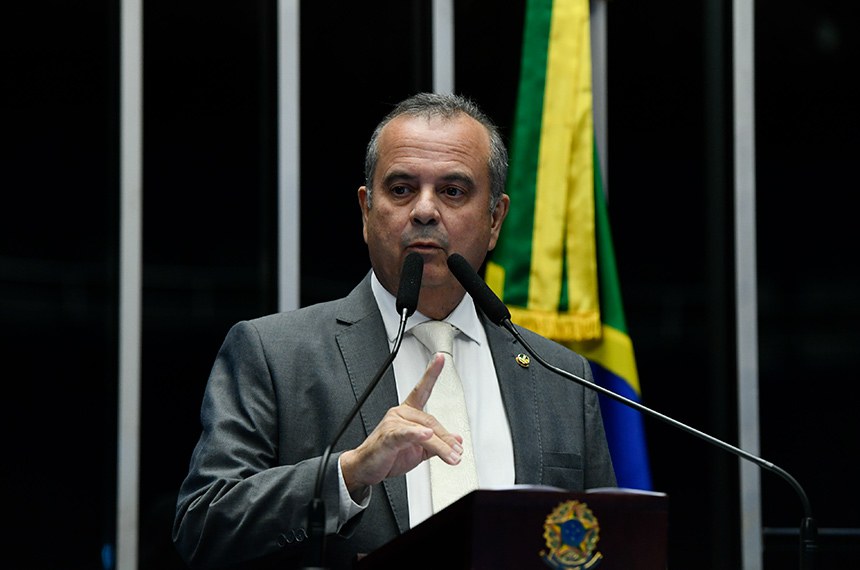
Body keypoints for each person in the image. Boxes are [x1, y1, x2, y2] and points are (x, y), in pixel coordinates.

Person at [173, 92, 617, 569]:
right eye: (402, 189)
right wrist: (347, 473)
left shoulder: (561, 376)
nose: (425, 211)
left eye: (453, 191)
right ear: (366, 212)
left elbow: (608, 543)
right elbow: (202, 526)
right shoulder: (275, 354)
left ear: (495, 220)